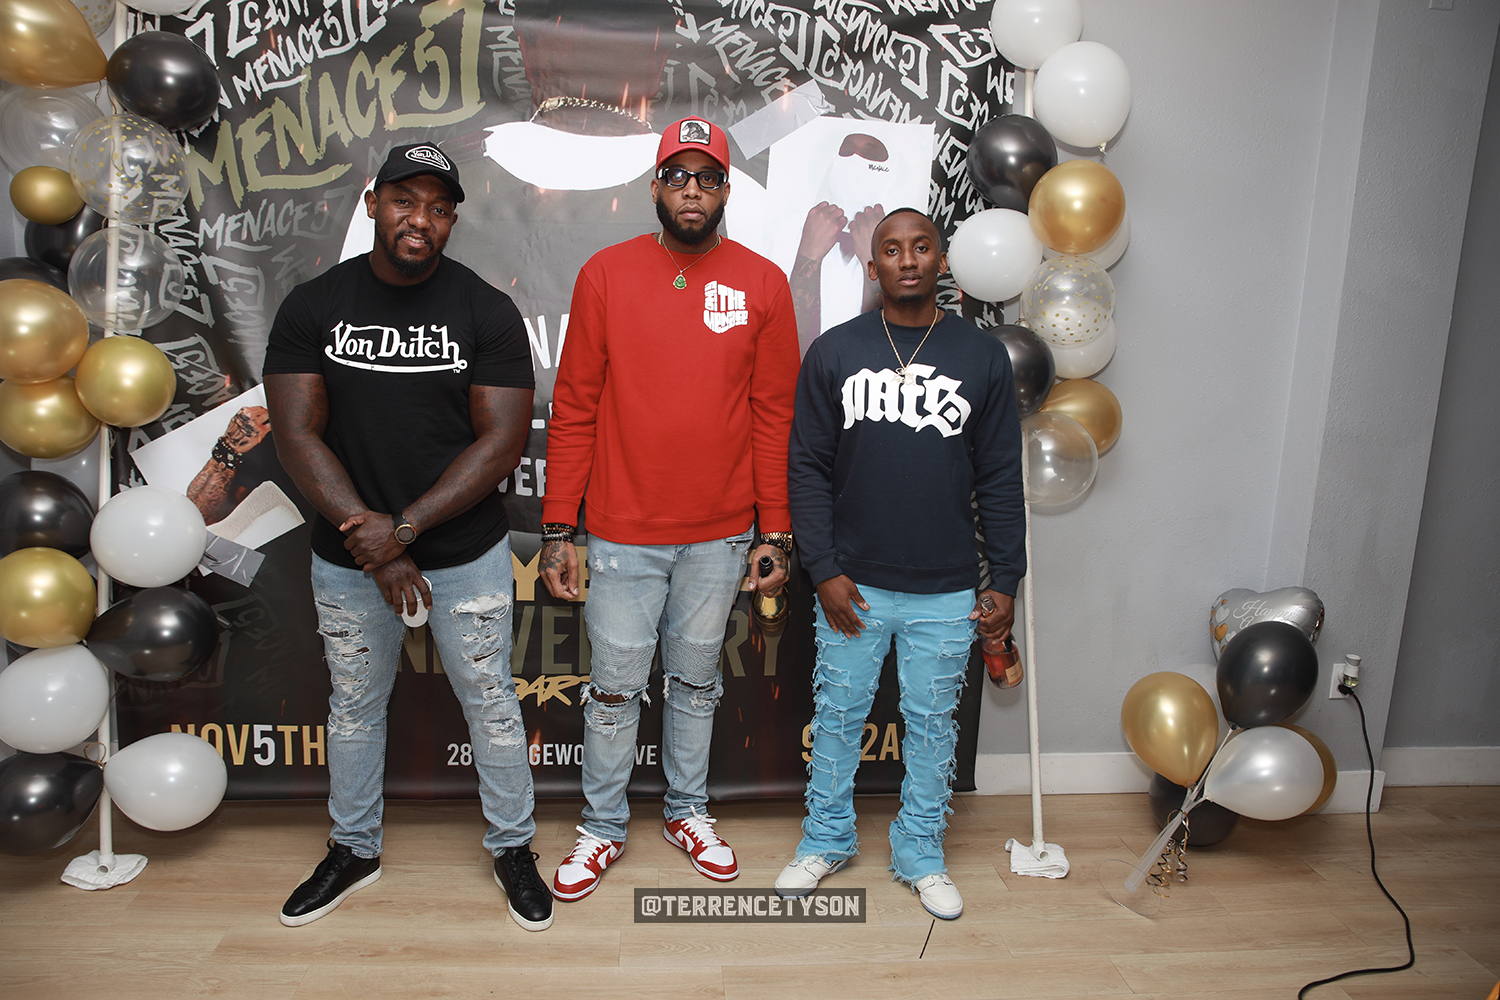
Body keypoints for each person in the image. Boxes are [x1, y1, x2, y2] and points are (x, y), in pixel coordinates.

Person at [262, 143, 551, 932]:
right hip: (349, 558)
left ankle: (513, 847)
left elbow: (501, 442)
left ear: (452, 220)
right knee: (355, 707)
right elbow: (295, 435)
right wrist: (375, 543)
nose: (420, 219)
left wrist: (405, 531)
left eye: (438, 207)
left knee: (491, 704)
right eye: (404, 200)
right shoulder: (314, 305)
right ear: (373, 203)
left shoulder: (485, 310)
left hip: (463, 553)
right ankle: (353, 849)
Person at [537, 117, 800, 900]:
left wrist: (775, 531)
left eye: (707, 177)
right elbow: (574, 407)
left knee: (694, 683)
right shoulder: (605, 274)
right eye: (679, 176)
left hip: (721, 536)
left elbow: (774, 416)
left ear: (726, 191)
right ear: (655, 187)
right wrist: (559, 527)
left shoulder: (762, 282)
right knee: (616, 690)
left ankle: (688, 812)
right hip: (623, 532)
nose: (693, 190)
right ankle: (602, 827)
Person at [777, 208, 1025, 920]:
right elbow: (807, 469)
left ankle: (920, 851)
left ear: (941, 261)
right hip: (852, 583)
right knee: (837, 717)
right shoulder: (834, 351)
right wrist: (823, 568)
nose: (907, 259)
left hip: (946, 586)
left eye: (921, 247)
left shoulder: (981, 357)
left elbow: (1000, 478)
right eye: (892, 248)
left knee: (933, 725)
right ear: (873, 263)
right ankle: (826, 839)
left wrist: (1005, 579)